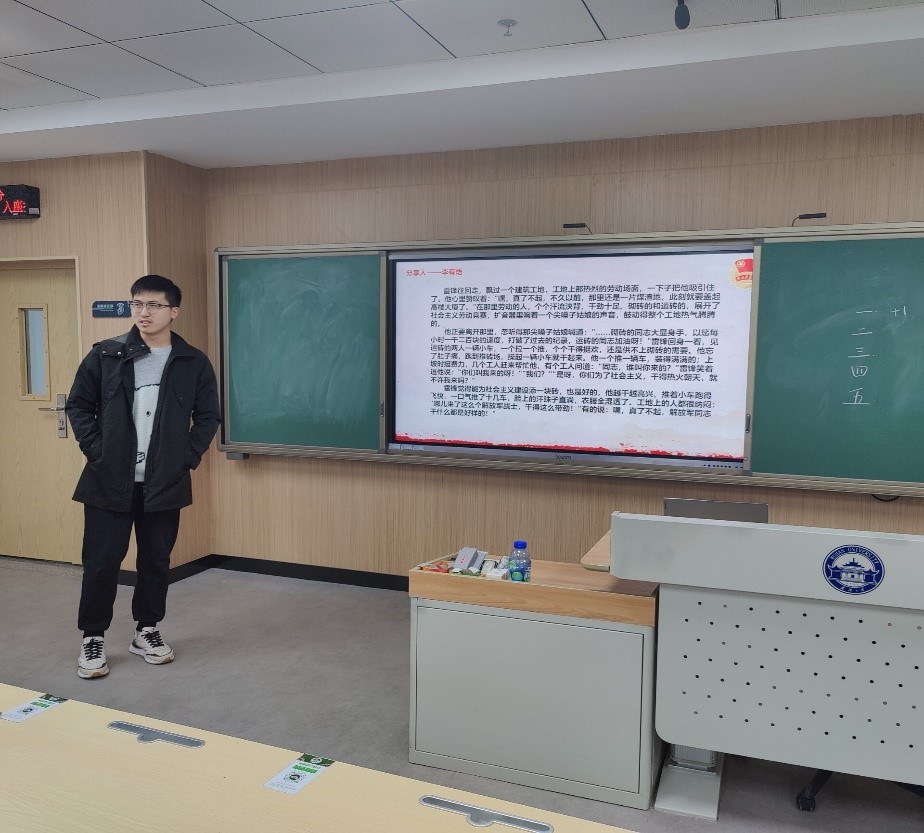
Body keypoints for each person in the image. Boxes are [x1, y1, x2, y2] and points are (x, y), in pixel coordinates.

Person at [65, 274, 220, 679]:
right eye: (137, 304)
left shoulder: (192, 362)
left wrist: (186, 456)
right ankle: (93, 637)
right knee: (101, 562)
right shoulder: (107, 354)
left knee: (155, 561)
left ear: (174, 311)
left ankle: (146, 630)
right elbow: (78, 405)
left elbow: (208, 416)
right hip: (107, 481)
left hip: (164, 482)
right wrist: (97, 451)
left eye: (153, 305)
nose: (143, 312)